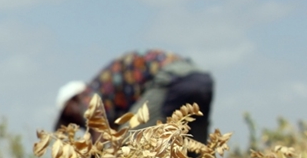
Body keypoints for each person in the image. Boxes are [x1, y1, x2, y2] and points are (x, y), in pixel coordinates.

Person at [55, 50, 213, 144]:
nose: (78, 123)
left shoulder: (88, 96)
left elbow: (102, 142)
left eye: (70, 115)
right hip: (200, 78)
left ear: (73, 101)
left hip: (172, 77)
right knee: (196, 155)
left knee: (127, 146)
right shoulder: (107, 91)